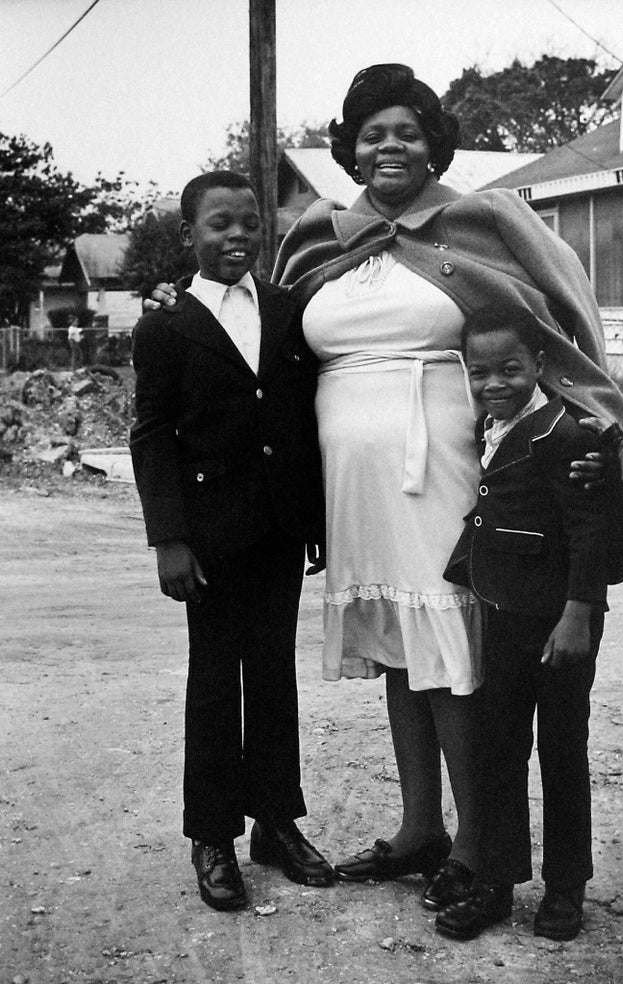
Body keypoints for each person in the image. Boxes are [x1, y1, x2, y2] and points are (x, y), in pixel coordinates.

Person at [149, 64, 623, 917]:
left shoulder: (485, 224)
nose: (390, 146)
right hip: (350, 482)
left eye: (406, 131)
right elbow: (253, 328)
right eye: (373, 133)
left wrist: (583, 439)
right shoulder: (318, 235)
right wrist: (177, 301)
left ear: (432, 141)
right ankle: (420, 828)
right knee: (396, 651)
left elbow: (553, 325)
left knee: (452, 651)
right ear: (349, 146)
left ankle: (477, 845)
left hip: (443, 463)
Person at [130, 171, 333, 912]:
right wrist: (169, 540)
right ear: (190, 235)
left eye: (249, 223)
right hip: (208, 538)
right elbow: (151, 433)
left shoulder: (287, 310)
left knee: (274, 673)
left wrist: (313, 521)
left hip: (279, 529)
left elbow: (302, 417)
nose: (237, 236)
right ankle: (211, 835)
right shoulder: (165, 324)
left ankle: (275, 823)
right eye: (219, 224)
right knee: (216, 682)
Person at [435, 305, 609, 942]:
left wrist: (578, 614)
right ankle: (496, 885)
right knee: (498, 750)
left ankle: (566, 889)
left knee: (563, 753)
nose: (494, 383)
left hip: (560, 624)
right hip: (503, 617)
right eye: (479, 372)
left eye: (509, 369)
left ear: (540, 365)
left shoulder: (569, 432)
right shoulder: (488, 424)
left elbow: (589, 531)